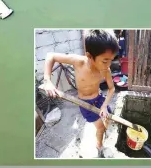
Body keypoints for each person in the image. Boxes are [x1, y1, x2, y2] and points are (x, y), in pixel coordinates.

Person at [42, 29, 119, 157]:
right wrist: (47, 80)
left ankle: (103, 130)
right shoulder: (78, 62)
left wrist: (104, 105)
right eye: (105, 61)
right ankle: (99, 146)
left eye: (111, 60)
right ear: (89, 56)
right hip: (85, 104)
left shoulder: (106, 70)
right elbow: (51, 56)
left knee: (108, 117)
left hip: (99, 99)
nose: (108, 65)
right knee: (100, 128)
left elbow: (111, 89)